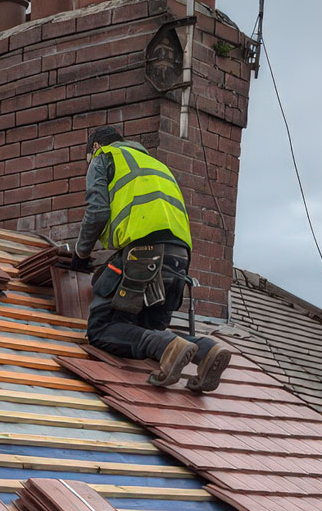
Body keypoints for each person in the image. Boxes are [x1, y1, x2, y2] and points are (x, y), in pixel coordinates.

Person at [72, 126, 235, 392]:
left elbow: (97, 212)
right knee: (148, 330)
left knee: (101, 329)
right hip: (179, 259)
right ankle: (207, 350)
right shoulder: (155, 165)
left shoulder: (105, 157)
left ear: (95, 147)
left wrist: (80, 255)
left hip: (143, 253)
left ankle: (168, 348)